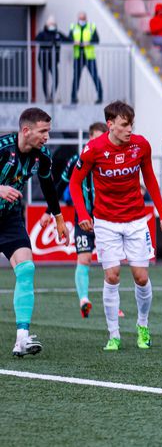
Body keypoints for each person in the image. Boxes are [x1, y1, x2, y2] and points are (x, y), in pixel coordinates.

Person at [69, 101, 162, 351]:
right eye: (124, 125)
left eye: (131, 125)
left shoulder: (141, 145)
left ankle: (143, 326)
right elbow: (74, 183)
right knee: (112, 276)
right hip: (105, 223)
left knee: (141, 276)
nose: (129, 130)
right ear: (110, 124)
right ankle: (113, 334)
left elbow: (150, 178)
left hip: (136, 220)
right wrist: (83, 214)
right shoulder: (93, 149)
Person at [0, 108, 69, 357]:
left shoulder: (43, 157)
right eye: (43, 131)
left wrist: (59, 218)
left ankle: (22, 338)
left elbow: (48, 186)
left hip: (8, 219)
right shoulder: (3, 147)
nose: (46, 137)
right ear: (26, 130)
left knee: (26, 268)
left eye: (48, 131)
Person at [40, 122, 107, 319]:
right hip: (84, 219)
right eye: (95, 138)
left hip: (108, 219)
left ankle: (113, 304)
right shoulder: (77, 160)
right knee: (84, 258)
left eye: (102, 138)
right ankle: (84, 300)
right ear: (89, 139)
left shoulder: (110, 161)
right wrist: (47, 212)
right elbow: (60, 185)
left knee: (110, 264)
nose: (98, 142)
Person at [70, 11, 103, 105]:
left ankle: (100, 96)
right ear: (78, 19)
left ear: (86, 18)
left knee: (95, 76)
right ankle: (73, 97)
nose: (82, 20)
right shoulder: (73, 27)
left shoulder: (91, 27)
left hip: (89, 56)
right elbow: (69, 38)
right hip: (78, 56)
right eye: (80, 19)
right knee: (76, 77)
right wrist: (73, 41)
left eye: (83, 18)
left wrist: (89, 42)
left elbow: (97, 40)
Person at [35, 15, 70, 103]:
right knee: (45, 78)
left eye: (53, 23)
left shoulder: (57, 34)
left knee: (56, 79)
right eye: (50, 23)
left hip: (54, 60)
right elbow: (36, 40)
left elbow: (68, 39)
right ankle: (47, 97)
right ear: (46, 24)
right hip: (43, 60)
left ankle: (51, 96)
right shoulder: (42, 33)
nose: (52, 25)